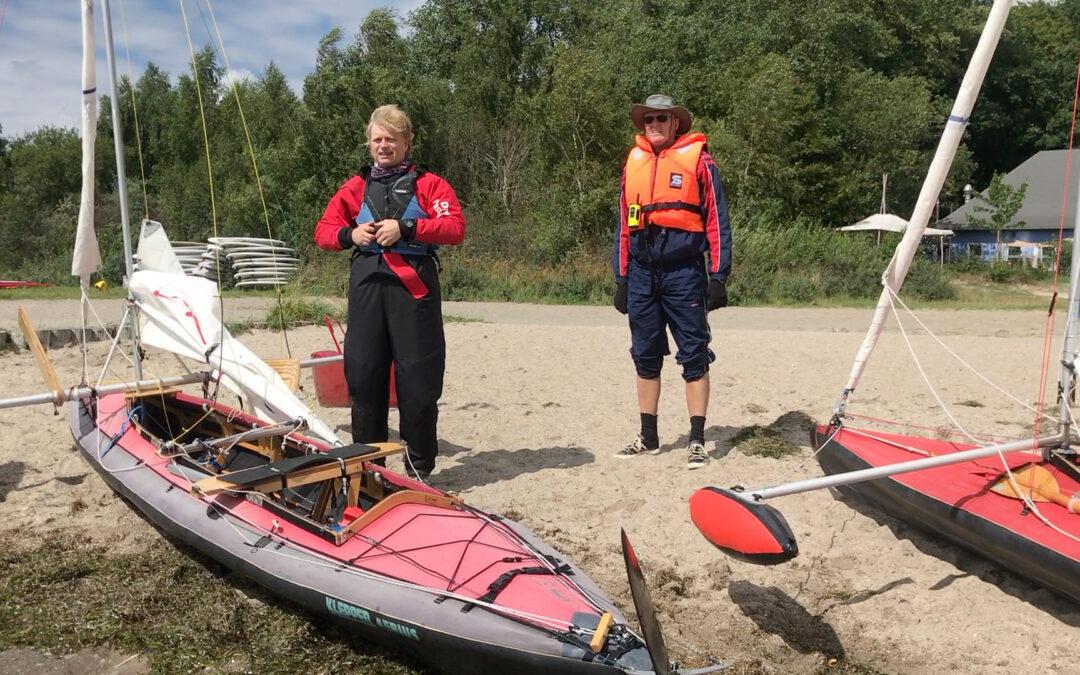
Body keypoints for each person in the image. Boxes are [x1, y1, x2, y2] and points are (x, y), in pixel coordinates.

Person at [314, 104, 465, 481]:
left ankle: (419, 468)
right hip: (367, 286)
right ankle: (369, 466)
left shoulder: (430, 184)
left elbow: (454, 228)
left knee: (418, 378)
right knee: (365, 376)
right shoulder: (354, 188)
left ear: (406, 142)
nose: (383, 146)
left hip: (413, 287)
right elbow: (323, 233)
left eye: (391, 139)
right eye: (377, 139)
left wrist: (408, 227)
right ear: (370, 143)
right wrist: (351, 234)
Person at [611, 94, 732, 470]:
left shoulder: (701, 162)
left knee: (694, 355)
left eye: (662, 118)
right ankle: (648, 437)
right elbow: (622, 228)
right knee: (644, 355)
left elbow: (717, 222)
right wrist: (622, 279)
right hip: (644, 274)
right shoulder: (633, 164)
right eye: (648, 118)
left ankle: (697, 440)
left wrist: (718, 276)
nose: (654, 123)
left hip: (684, 273)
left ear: (675, 122)